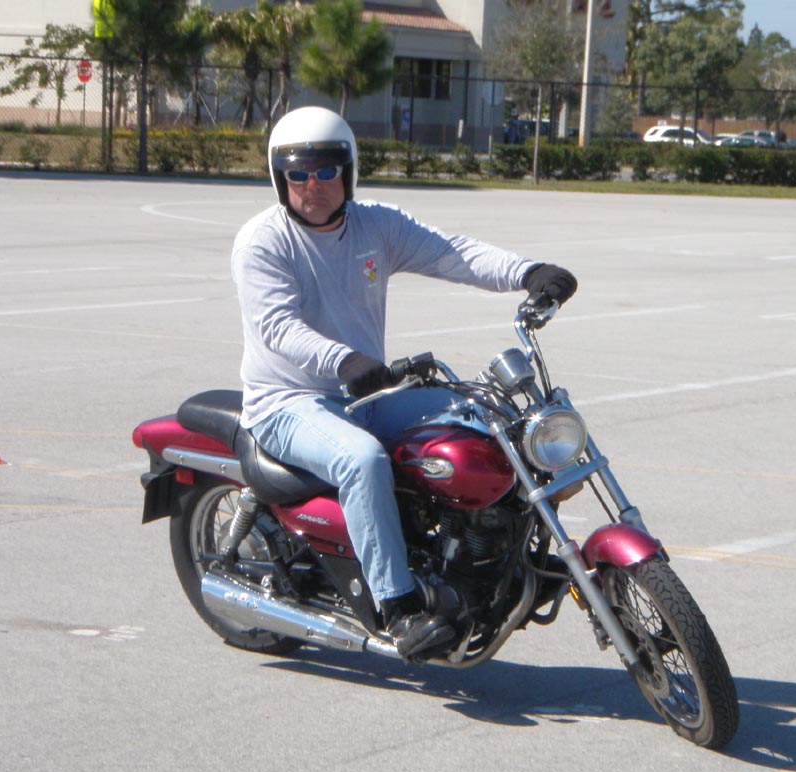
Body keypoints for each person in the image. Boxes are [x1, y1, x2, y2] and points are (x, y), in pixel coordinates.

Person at [231, 106, 577, 659]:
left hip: (365, 393)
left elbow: (452, 253)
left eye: (326, 171)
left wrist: (528, 273)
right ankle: (397, 607)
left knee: (484, 418)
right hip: (288, 401)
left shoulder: (376, 226)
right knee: (362, 460)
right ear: (279, 177)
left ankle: (505, 553)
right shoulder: (262, 241)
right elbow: (277, 326)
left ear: (349, 170)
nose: (313, 185)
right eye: (298, 173)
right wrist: (343, 359)